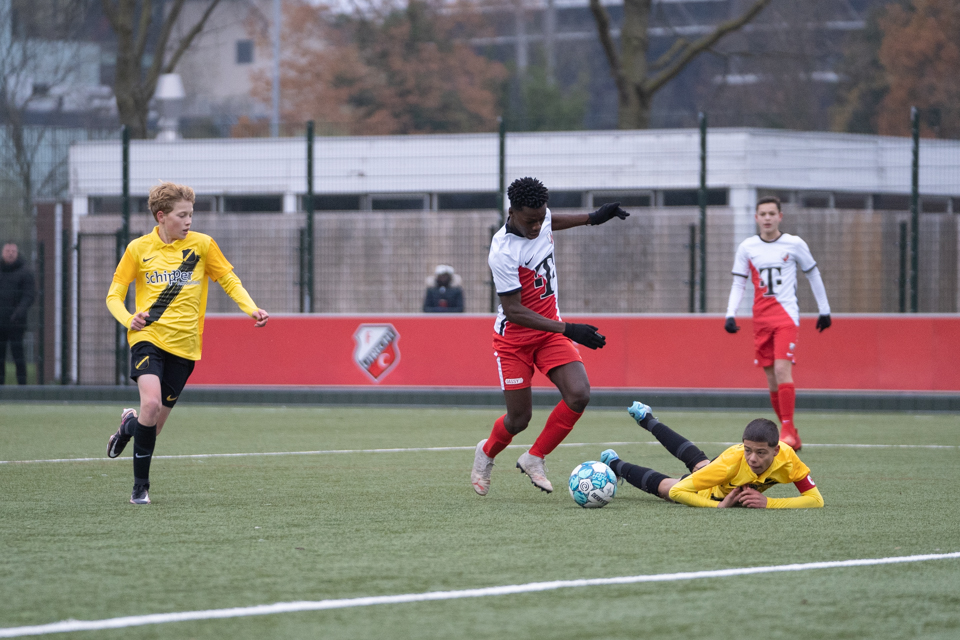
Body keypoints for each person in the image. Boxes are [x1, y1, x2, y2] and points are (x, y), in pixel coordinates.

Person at [105, 182, 269, 505]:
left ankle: (128, 427)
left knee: (152, 427)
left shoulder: (203, 246)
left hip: (185, 348)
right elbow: (113, 295)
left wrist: (250, 307)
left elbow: (228, 280)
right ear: (162, 216)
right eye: (183, 215)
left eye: (191, 214)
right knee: (149, 404)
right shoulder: (138, 249)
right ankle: (140, 489)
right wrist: (129, 319)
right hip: (147, 338)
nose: (189, 221)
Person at [471, 176, 630, 496]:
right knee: (519, 419)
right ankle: (486, 453)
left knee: (579, 393)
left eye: (541, 217)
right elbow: (514, 310)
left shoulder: (539, 217)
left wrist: (593, 218)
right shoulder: (502, 252)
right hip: (514, 341)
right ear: (512, 212)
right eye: (531, 220)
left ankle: (535, 457)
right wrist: (570, 329)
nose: (538, 225)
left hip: (548, 334)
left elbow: (550, 220)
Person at [724, 196, 831, 451]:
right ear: (756, 218)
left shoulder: (794, 244)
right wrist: (730, 313)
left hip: (786, 317)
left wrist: (824, 310)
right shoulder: (748, 247)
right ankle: (791, 431)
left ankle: (786, 430)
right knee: (772, 378)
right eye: (763, 213)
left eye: (772, 213)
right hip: (761, 319)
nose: (768, 218)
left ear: (780, 216)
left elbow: (813, 273)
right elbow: (739, 282)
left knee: (783, 370)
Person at [600, 401, 824, 509]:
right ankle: (614, 463)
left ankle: (647, 419)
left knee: (700, 463)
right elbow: (679, 492)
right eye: (748, 450)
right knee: (669, 489)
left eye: (761, 453)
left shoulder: (787, 458)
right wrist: (719, 506)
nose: (753, 459)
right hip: (717, 487)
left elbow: (815, 500)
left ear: (776, 450)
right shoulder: (731, 463)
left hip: (720, 471)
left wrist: (768, 502)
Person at [0, 242, 36, 385]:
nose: (10, 253)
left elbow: (29, 296)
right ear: (2, 252)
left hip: (16, 323)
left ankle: (22, 387)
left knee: (18, 356)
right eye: (7, 250)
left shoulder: (25, 272)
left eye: (13, 251)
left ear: (17, 253)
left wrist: (18, 313)